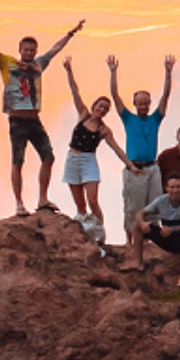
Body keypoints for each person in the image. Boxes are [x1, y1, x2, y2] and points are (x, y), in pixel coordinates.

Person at [0, 17, 85, 216]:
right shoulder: (7, 63)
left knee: (48, 157)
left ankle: (43, 198)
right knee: (18, 161)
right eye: (26, 49)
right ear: (20, 50)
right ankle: (19, 203)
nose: (29, 53)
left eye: (32, 50)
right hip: (17, 121)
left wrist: (71, 32)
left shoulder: (39, 64)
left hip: (34, 119)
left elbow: (55, 48)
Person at [60, 56, 130, 242]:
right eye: (100, 106)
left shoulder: (104, 130)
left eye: (106, 108)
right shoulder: (83, 115)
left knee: (92, 201)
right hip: (72, 159)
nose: (102, 110)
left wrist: (131, 165)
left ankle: (99, 234)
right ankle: (85, 237)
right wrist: (69, 71)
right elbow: (75, 91)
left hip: (89, 161)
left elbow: (117, 149)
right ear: (94, 106)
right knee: (80, 205)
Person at [111, 53, 174, 238]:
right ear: (135, 104)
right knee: (133, 207)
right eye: (140, 103)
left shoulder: (155, 119)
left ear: (149, 103)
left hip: (153, 168)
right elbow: (115, 96)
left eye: (146, 103)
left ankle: (152, 241)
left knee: (154, 206)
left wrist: (168, 73)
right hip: (134, 168)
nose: (143, 106)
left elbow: (165, 96)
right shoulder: (128, 118)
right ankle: (131, 242)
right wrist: (113, 73)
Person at [128, 173, 180, 285]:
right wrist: (143, 223)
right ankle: (139, 263)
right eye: (172, 187)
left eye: (178, 187)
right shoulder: (161, 200)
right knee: (137, 225)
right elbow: (140, 213)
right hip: (165, 236)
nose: (175, 190)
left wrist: (173, 229)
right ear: (166, 188)